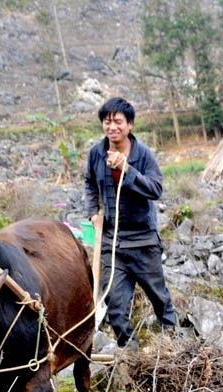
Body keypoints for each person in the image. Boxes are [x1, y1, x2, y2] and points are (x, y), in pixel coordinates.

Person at [83, 97, 177, 349]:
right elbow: (90, 183)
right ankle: (131, 352)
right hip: (113, 245)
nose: (112, 127)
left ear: (130, 125)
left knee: (159, 298)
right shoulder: (96, 154)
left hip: (144, 241)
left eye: (118, 122)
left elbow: (155, 189)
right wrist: (92, 211)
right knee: (115, 305)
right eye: (107, 122)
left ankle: (172, 343)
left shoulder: (143, 155)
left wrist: (128, 170)